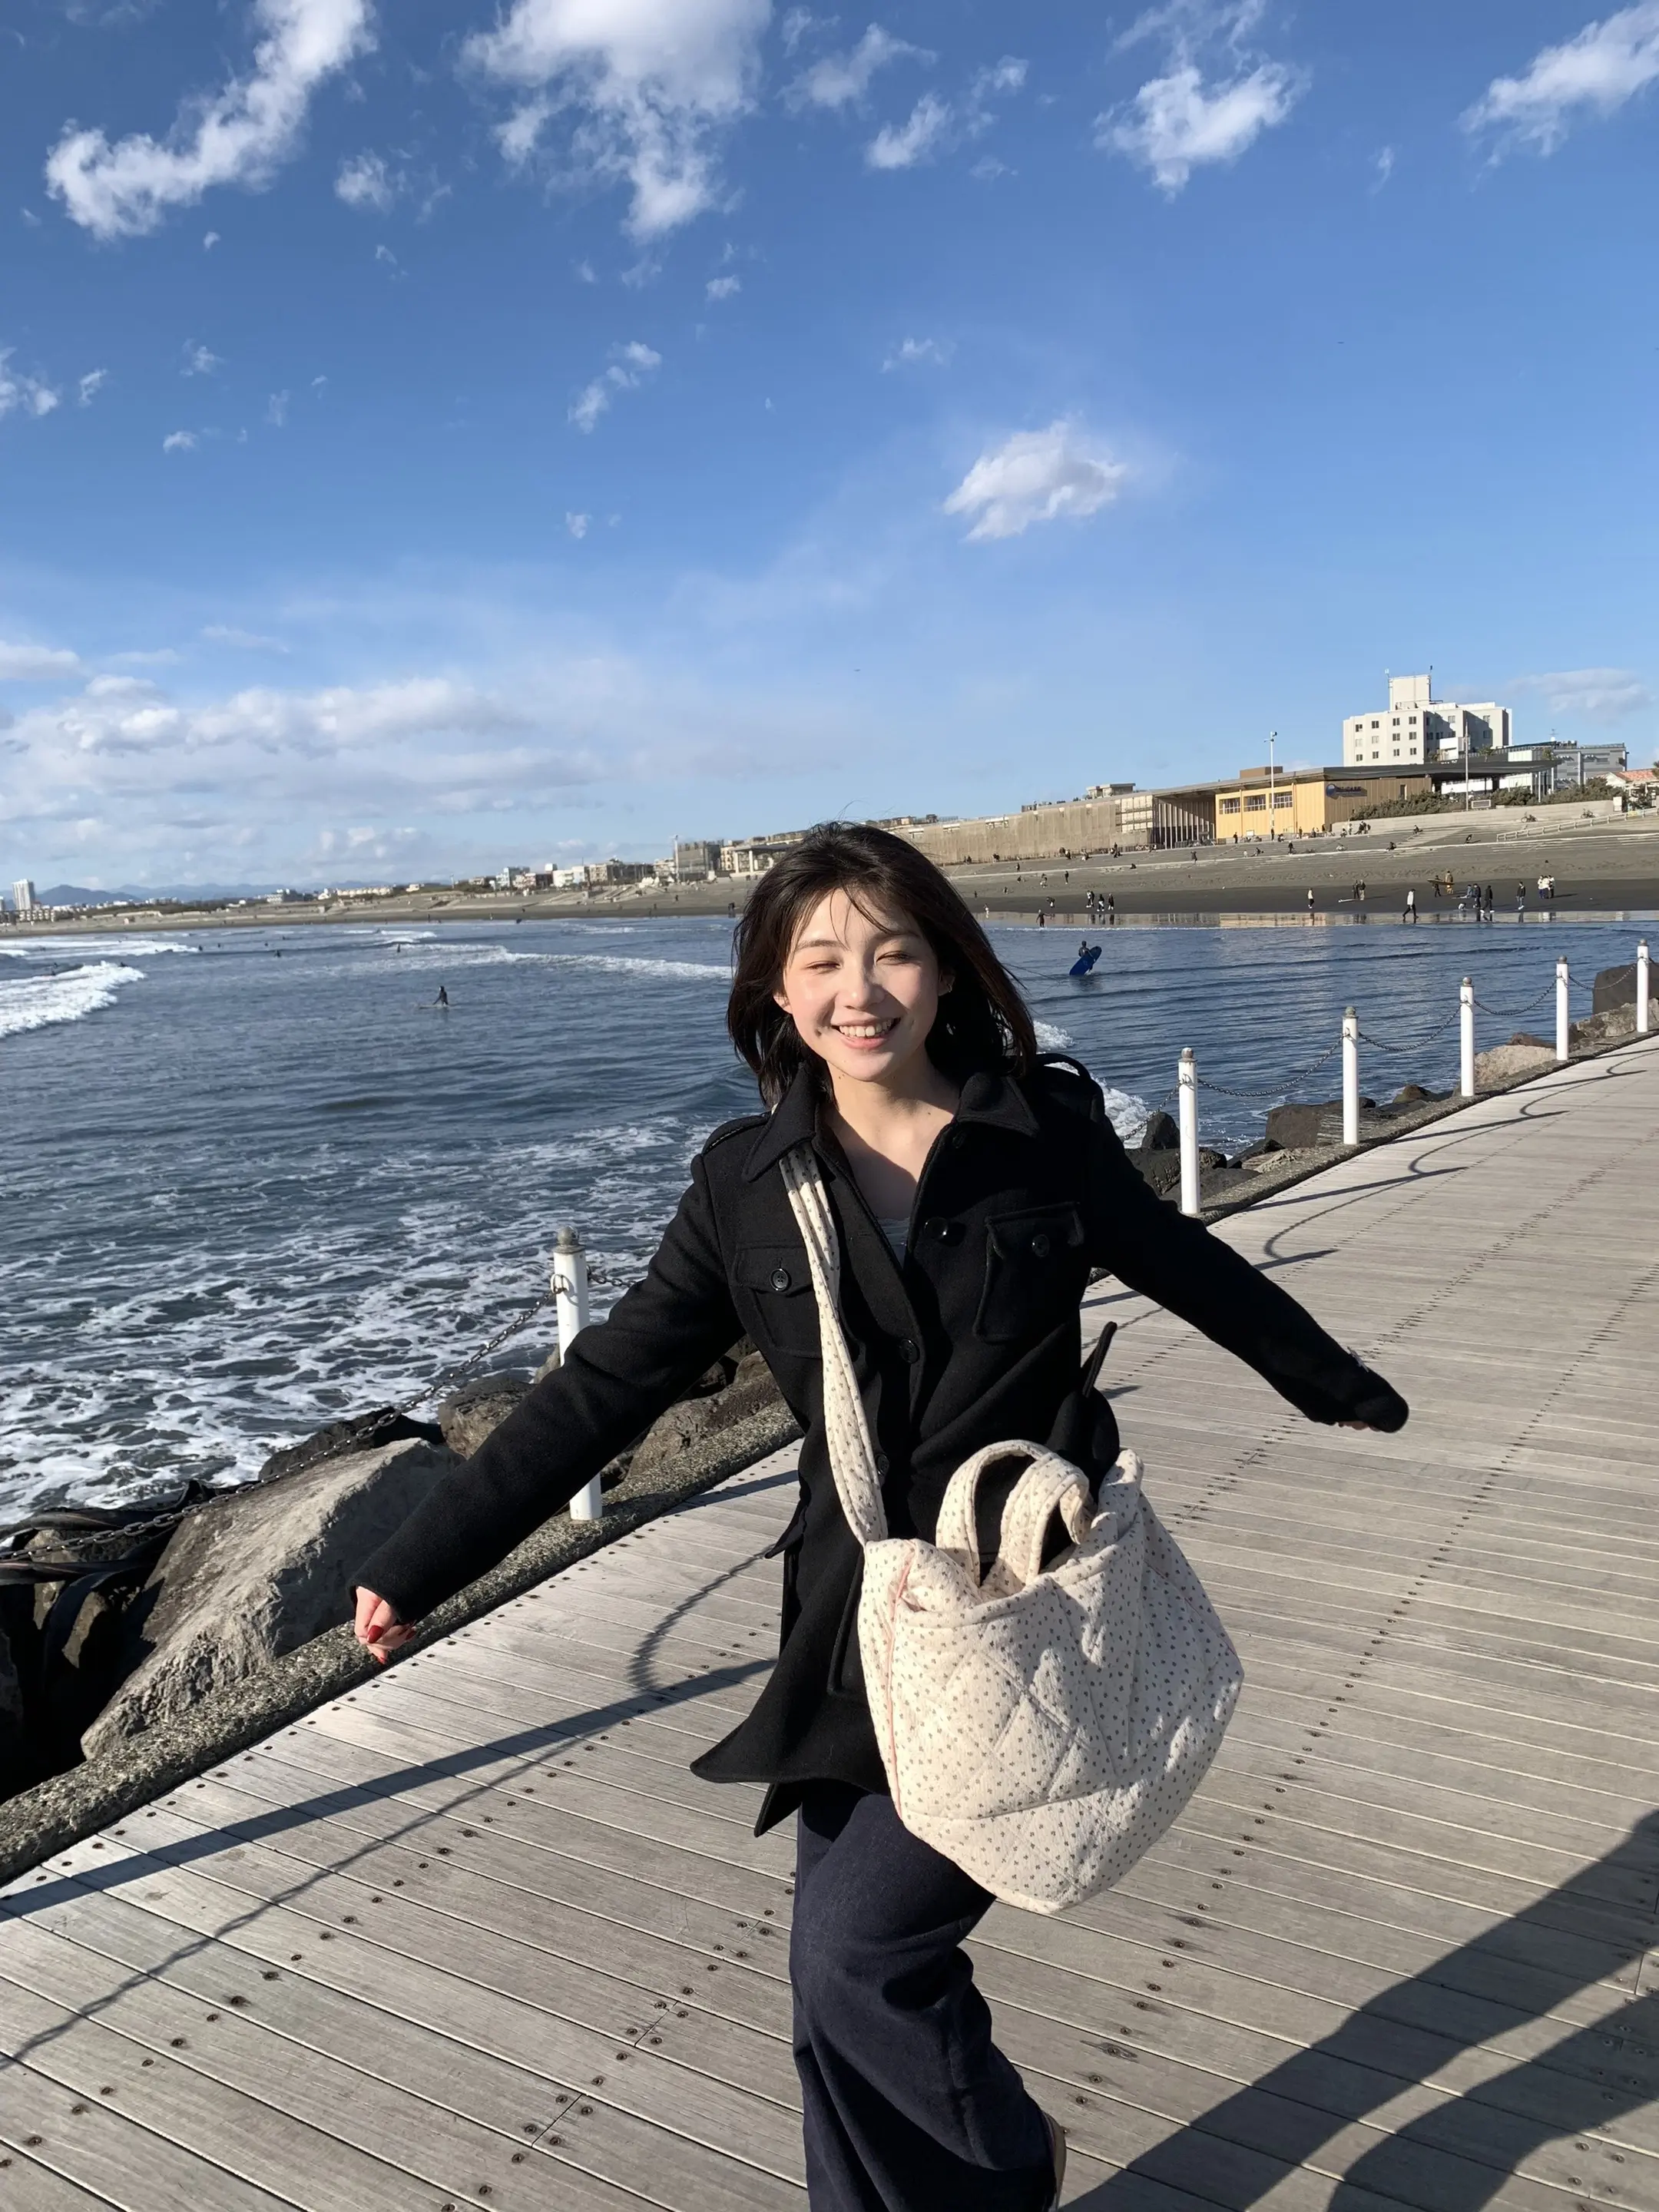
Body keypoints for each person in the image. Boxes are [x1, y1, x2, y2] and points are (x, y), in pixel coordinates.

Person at [352, 824, 1407, 2212]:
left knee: (858, 1960)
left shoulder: (1040, 1134)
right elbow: (610, 1382)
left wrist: (1333, 1385)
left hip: (1021, 1600)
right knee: (835, 1982)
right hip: (856, 1629)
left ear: (945, 968)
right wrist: (422, 1560)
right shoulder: (747, 1185)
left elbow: (1183, 1263)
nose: (861, 991)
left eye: (893, 952)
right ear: (775, 993)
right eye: (822, 961)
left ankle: (1003, 2168)